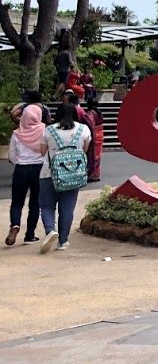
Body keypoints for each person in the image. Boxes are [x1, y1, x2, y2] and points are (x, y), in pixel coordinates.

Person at [35, 102, 91, 253]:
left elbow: (42, 151)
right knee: (67, 208)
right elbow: (85, 150)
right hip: (73, 176)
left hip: (48, 174)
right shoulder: (83, 129)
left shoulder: (49, 130)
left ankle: (50, 230)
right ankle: (63, 241)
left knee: (47, 206)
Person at [7, 91, 47, 246]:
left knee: (17, 202)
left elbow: (12, 157)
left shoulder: (17, 134)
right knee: (35, 203)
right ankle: (30, 235)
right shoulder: (44, 130)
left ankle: (15, 224)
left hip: (21, 170)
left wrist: (21, 161)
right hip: (39, 169)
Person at [82, 97, 104, 182]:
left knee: (92, 156)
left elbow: (89, 126)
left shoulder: (89, 115)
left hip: (93, 136)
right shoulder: (99, 113)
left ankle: (92, 174)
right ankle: (96, 174)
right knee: (97, 156)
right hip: (100, 136)